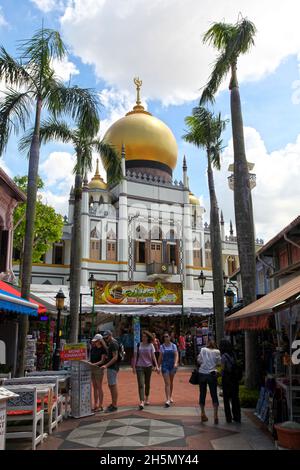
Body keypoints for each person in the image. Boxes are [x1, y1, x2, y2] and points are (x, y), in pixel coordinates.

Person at [132, 330, 158, 410]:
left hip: (148, 366)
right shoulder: (138, 345)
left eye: (145, 336)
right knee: (140, 384)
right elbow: (135, 356)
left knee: (147, 383)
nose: (143, 338)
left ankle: (147, 397)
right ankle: (142, 401)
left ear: (148, 337)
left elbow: (153, 357)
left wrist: (156, 366)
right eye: (142, 336)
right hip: (139, 366)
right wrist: (133, 367)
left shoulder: (151, 345)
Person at [197, 340, 221, 424]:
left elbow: (199, 361)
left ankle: (203, 413)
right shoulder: (217, 351)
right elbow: (219, 363)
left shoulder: (203, 350)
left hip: (202, 373)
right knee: (214, 394)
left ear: (207, 344)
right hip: (212, 374)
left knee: (202, 393)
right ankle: (215, 415)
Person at [219, 339, 241, 424]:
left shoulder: (224, 356)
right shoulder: (233, 354)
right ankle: (237, 417)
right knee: (235, 398)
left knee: (226, 399)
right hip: (234, 379)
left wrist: (218, 374)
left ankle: (228, 418)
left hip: (227, 379)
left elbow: (223, 369)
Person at [86, 334, 107, 411]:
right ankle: (95, 404)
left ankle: (100, 405)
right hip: (92, 368)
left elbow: (102, 361)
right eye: (94, 341)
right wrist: (87, 362)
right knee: (94, 387)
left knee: (99, 386)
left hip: (98, 369)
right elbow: (91, 359)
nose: (94, 342)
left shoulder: (103, 349)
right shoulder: (93, 348)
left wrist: (93, 364)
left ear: (99, 341)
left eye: (96, 341)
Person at [158, 331, 179, 407]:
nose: (166, 338)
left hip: (172, 365)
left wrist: (176, 363)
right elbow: (160, 357)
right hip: (165, 365)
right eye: (164, 337)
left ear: (170, 337)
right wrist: (158, 366)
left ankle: (170, 396)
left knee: (171, 382)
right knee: (167, 383)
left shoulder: (174, 346)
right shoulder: (161, 346)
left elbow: (176, 355)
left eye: (167, 336)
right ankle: (167, 399)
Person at [100, 330, 120, 412]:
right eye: (104, 338)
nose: (106, 339)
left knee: (113, 385)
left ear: (110, 335)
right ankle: (113, 403)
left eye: (107, 337)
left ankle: (114, 405)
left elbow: (115, 357)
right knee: (111, 385)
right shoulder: (112, 343)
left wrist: (106, 365)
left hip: (113, 367)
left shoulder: (113, 343)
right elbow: (109, 350)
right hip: (112, 367)